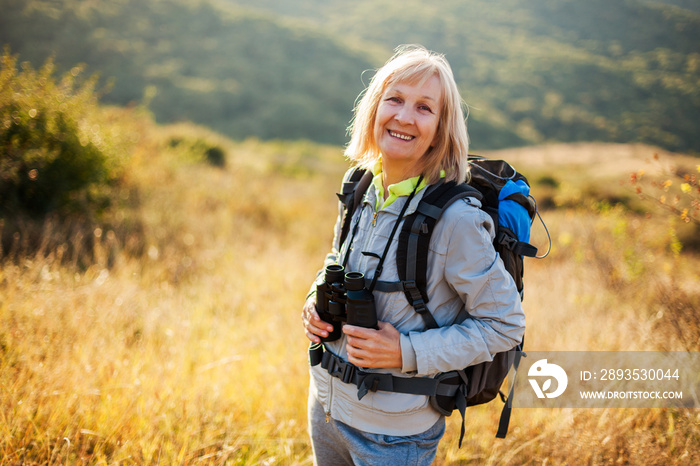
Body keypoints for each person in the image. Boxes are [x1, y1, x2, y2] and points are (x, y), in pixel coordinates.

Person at [301, 45, 525, 465]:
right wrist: (315, 303)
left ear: (442, 128)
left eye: (424, 107)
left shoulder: (456, 220)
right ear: (374, 109)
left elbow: (505, 324)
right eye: (395, 99)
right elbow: (338, 262)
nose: (404, 117)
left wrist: (407, 353)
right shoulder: (360, 185)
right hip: (326, 407)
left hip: (394, 435)